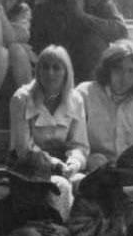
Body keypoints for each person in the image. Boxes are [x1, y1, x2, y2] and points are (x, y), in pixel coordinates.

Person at [28, 0, 126, 92]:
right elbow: (37, 43)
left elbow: (120, 31)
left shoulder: (99, 0)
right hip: (58, 68)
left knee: (92, 42)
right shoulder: (46, 7)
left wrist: (83, 17)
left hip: (92, 69)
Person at [78, 40, 133, 171]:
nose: (124, 77)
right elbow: (74, 141)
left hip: (132, 168)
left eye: (131, 71)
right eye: (118, 69)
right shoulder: (85, 94)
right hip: (94, 169)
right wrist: (87, 158)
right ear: (107, 69)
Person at [9, 41, 86, 176]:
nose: (50, 73)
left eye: (56, 68)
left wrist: (74, 162)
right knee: (60, 185)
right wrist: (54, 164)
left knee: (81, 182)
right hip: (27, 167)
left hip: (64, 166)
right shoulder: (21, 99)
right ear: (38, 71)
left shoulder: (76, 100)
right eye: (45, 67)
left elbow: (79, 145)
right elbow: (23, 149)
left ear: (66, 73)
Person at [0, 0, 31, 88]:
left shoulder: (22, 9)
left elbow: (17, 37)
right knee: (2, 53)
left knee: (16, 49)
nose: (7, 3)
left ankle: (29, 102)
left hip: (15, 58)